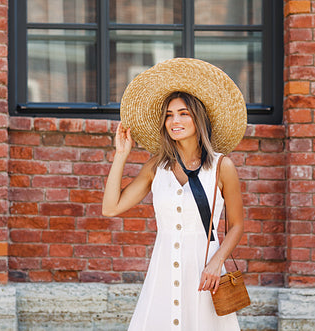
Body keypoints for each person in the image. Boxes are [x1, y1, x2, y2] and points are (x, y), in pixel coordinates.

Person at [102, 58, 247, 331]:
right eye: (169, 115)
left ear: (198, 118)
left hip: (205, 272)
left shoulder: (221, 167)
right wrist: (121, 156)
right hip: (163, 271)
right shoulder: (156, 167)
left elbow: (237, 225)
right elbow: (111, 208)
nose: (174, 121)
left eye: (183, 113)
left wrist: (217, 263)